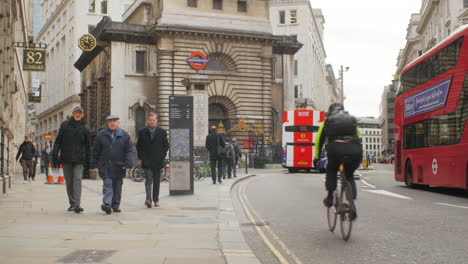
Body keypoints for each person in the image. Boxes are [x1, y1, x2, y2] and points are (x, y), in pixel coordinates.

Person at [314, 103, 362, 215]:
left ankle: (330, 196)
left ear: (330, 112)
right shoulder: (352, 120)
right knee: (349, 175)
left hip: (336, 149)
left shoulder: (328, 121)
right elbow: (358, 137)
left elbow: (318, 141)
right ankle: (352, 202)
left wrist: (317, 158)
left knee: (331, 170)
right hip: (355, 149)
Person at [90, 115, 133, 215]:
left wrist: (128, 162)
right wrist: (93, 163)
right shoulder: (101, 135)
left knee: (117, 186)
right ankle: (107, 204)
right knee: (108, 184)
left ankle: (115, 205)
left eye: (114, 121)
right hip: (105, 165)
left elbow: (129, 150)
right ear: (107, 123)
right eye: (110, 121)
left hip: (119, 165)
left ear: (118, 122)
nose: (112, 123)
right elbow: (95, 151)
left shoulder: (125, 135)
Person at [52, 106, 91, 214]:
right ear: (73, 114)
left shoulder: (85, 128)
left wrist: (89, 161)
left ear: (82, 115)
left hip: (79, 159)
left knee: (77, 179)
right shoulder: (65, 125)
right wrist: (55, 153)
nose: (78, 114)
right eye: (76, 112)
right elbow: (58, 140)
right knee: (69, 182)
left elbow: (88, 146)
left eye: (80, 113)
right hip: (66, 158)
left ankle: (77, 205)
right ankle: (72, 203)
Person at [136, 113, 169, 208]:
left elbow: (166, 145)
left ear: (156, 121)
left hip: (158, 161)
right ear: (147, 121)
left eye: (153, 120)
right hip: (146, 160)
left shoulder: (162, 131)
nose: (151, 121)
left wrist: (162, 156)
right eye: (150, 120)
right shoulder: (142, 131)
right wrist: (141, 156)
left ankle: (156, 199)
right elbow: (139, 145)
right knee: (148, 179)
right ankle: (148, 199)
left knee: (156, 181)